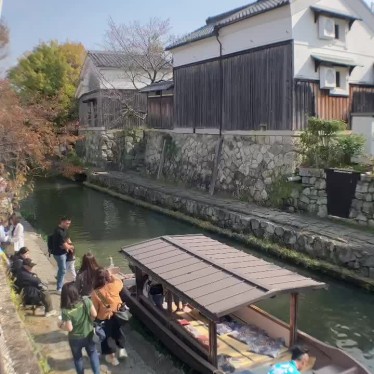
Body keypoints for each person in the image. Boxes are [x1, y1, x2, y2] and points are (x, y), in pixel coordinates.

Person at [58, 282, 100, 374]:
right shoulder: (86, 301)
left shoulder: (66, 310)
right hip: (89, 334)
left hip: (75, 338)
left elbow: (69, 328)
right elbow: (94, 314)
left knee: (78, 358)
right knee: (93, 354)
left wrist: (60, 325)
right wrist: (89, 321)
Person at [91, 268, 127, 366]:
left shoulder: (96, 293)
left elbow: (94, 309)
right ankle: (122, 350)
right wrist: (111, 275)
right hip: (117, 314)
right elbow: (120, 282)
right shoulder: (114, 285)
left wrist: (92, 321)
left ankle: (110, 357)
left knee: (105, 337)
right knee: (118, 332)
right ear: (107, 277)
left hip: (103, 318)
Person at [51, 216, 74, 292]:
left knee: (62, 269)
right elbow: (65, 245)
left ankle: (59, 279)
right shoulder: (59, 231)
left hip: (64, 252)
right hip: (59, 254)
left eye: (69, 223)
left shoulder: (65, 230)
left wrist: (69, 245)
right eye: (67, 223)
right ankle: (59, 288)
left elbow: (68, 240)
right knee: (63, 269)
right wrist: (71, 246)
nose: (68, 225)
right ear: (62, 222)